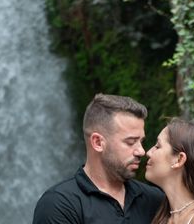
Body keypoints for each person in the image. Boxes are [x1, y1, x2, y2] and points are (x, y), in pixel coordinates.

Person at [32, 93, 164, 223]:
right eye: (130, 142)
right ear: (97, 143)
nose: (141, 151)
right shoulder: (59, 204)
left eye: (141, 141)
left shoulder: (155, 199)